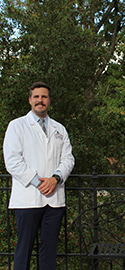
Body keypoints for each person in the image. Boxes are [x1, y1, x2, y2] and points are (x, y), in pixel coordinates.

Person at [3, 82, 75, 270]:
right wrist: (38, 182)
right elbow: (12, 161)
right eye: (36, 97)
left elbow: (68, 159)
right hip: (28, 199)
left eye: (44, 97)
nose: (40, 100)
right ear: (30, 100)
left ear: (49, 101)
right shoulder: (17, 126)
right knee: (23, 250)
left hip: (54, 201)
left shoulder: (59, 129)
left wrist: (55, 179)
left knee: (49, 252)